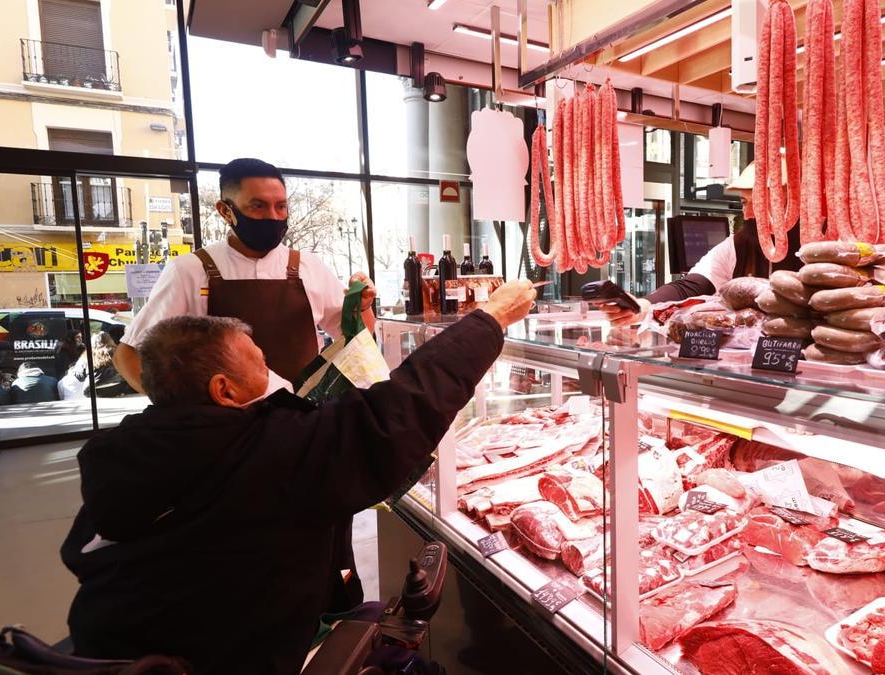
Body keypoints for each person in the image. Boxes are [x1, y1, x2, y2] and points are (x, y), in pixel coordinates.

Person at [60, 280, 536, 675]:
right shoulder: (265, 451)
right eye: (259, 363)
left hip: (115, 651)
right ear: (223, 390)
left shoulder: (130, 449)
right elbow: (396, 415)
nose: (271, 371)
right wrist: (490, 318)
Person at [114, 157, 377, 393]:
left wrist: (361, 306)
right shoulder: (190, 270)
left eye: (281, 206)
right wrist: (176, 414)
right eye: (258, 206)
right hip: (228, 428)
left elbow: (353, 339)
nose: (273, 217)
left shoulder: (309, 266)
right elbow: (128, 355)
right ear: (225, 210)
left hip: (302, 420)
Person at [600, 160, 802, 326]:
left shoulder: (819, 244)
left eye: (759, 203)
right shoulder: (737, 245)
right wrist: (643, 306)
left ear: (791, 203)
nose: (748, 213)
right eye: (744, 202)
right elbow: (692, 285)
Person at [63, 332, 135, 399]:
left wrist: (73, 369)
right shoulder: (118, 352)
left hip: (92, 392)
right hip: (119, 388)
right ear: (110, 340)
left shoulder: (86, 356)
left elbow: (80, 376)